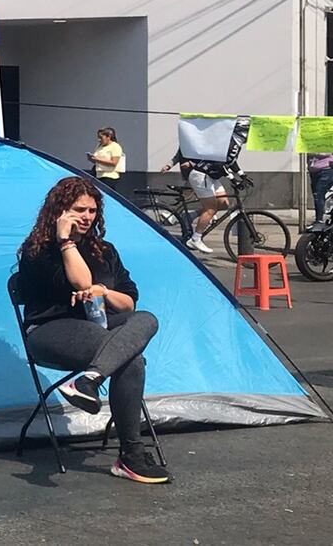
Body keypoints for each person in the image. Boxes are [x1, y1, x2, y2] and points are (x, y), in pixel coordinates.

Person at [18, 176, 170, 484]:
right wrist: (65, 242)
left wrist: (104, 292)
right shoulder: (39, 251)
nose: (87, 217)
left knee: (146, 319)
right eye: (79, 209)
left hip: (97, 325)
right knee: (131, 358)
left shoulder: (106, 251)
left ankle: (90, 379)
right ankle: (131, 456)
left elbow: (127, 302)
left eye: (92, 210)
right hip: (49, 330)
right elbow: (80, 283)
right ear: (59, 211)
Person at [160, 119, 248, 254]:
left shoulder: (234, 144)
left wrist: (242, 175)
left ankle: (189, 216)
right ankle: (195, 238)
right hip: (201, 175)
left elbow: (231, 162)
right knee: (211, 208)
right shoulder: (229, 143)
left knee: (223, 204)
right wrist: (232, 178)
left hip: (211, 176)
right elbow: (221, 164)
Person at [307, 153, 333, 226]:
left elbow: (328, 151)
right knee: (317, 195)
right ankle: (319, 218)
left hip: (326, 170)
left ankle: (319, 220)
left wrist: (314, 151)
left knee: (319, 194)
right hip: (314, 171)